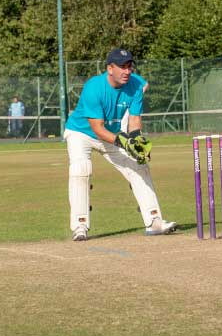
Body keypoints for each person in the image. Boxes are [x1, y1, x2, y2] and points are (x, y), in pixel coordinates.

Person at [64, 48, 177, 242]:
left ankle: (154, 222)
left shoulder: (136, 85)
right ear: (110, 68)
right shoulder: (94, 87)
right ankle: (80, 225)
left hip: (111, 133)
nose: (127, 71)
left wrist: (136, 141)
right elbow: (97, 129)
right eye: (122, 67)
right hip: (81, 133)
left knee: (139, 166)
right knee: (81, 169)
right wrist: (122, 141)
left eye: (129, 67)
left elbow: (134, 120)